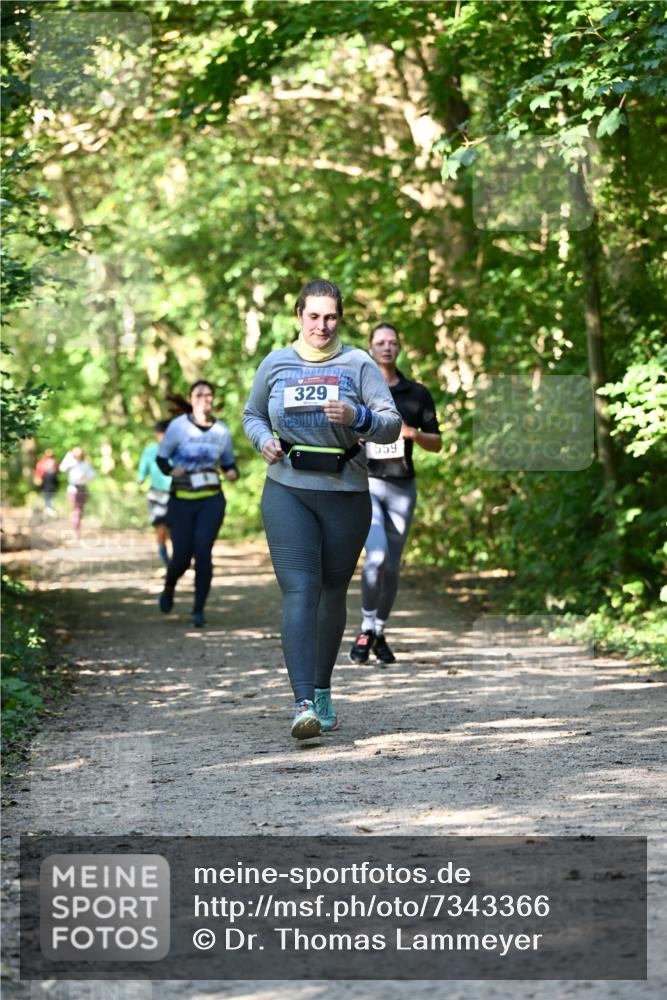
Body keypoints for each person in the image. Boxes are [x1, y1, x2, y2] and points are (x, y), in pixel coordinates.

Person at [243, 278, 401, 741]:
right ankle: (302, 703)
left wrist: (359, 418)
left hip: (345, 493)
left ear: (341, 319)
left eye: (330, 317)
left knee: (332, 591)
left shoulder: (358, 364)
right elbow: (252, 414)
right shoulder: (275, 363)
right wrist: (263, 441)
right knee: (300, 590)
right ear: (299, 316)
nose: (322, 325)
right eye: (313, 316)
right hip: (287, 489)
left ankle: (323, 686)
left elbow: (390, 425)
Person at [349, 322, 442, 665]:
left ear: (399, 347)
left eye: (392, 342)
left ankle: (379, 630)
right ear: (370, 347)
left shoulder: (417, 394)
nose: (386, 347)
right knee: (375, 558)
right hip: (367, 484)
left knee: (392, 565)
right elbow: (340, 430)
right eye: (380, 342)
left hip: (403, 487)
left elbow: (438, 443)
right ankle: (365, 626)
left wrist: (413, 434)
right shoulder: (358, 390)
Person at [156, 381, 238, 628]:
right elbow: (162, 459)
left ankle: (198, 610)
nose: (205, 399)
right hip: (181, 500)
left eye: (209, 395)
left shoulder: (221, 431)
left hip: (211, 500)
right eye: (200, 395)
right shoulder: (178, 427)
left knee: (203, 552)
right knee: (181, 556)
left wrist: (232, 472)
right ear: (192, 399)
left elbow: (228, 463)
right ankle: (169, 586)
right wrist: (172, 469)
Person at [137, 420, 172, 567]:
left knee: (175, 529)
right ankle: (166, 560)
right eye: (161, 434)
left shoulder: (177, 450)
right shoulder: (150, 450)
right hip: (156, 494)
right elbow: (142, 471)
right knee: (161, 528)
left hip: (176, 494)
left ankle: (178, 559)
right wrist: (141, 480)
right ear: (157, 435)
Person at [60, 447, 96, 537]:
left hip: (83, 488)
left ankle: (77, 525)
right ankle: (76, 527)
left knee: (80, 509)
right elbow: (62, 468)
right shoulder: (71, 464)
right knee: (76, 508)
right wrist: (68, 456)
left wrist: (85, 476)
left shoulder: (85, 464)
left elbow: (92, 475)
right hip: (73, 489)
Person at [34, 449, 59, 515]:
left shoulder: (54, 462)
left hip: (52, 480)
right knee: (47, 494)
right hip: (45, 480)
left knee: (50, 494)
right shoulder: (42, 462)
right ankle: (48, 507)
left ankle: (49, 508)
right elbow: (38, 471)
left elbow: (57, 470)